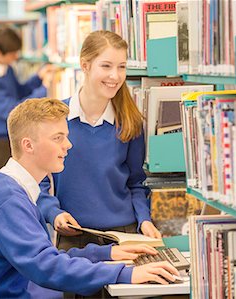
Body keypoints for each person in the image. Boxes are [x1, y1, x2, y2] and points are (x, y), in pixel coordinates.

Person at [0, 98, 179, 298]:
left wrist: (105, 253)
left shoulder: (13, 188)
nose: (68, 145)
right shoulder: (7, 199)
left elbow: (44, 256)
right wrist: (126, 273)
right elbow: (45, 266)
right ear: (28, 145)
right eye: (57, 138)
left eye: (66, 136)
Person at [37, 30, 162, 251]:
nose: (115, 75)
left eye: (121, 67)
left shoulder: (130, 122)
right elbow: (39, 181)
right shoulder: (56, 118)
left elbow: (136, 182)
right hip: (74, 236)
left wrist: (144, 219)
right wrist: (53, 213)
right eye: (106, 66)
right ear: (85, 65)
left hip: (124, 234)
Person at [0, 26, 54, 179]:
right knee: (0, 186)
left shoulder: (4, 67)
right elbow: (10, 110)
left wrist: (38, 78)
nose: (16, 57)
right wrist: (45, 89)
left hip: (8, 136)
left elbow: (20, 92)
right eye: (12, 54)